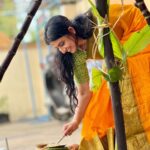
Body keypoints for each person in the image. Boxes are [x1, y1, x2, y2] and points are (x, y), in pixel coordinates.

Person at [44, 3, 150, 150]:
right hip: (117, 57)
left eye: (62, 43)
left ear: (71, 30)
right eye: (58, 47)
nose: (63, 50)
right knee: (96, 109)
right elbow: (84, 92)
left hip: (138, 36)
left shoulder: (97, 22)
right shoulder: (76, 56)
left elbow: (131, 13)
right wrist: (75, 122)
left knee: (121, 87)